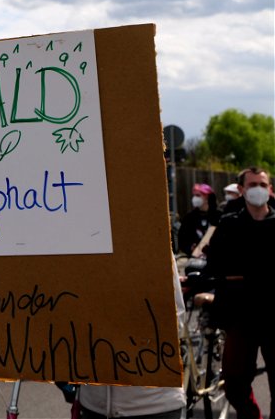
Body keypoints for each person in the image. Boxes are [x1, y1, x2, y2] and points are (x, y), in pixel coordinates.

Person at [76, 256, 186, 419]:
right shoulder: (77, 250)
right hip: (93, 404)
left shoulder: (149, 242)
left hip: (151, 406)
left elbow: (174, 321)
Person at [204, 166, 274, 419]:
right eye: (253, 185)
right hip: (240, 316)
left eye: (263, 185)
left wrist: (244, 274)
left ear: (271, 190)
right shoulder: (229, 225)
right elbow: (216, 264)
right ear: (242, 190)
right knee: (233, 382)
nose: (258, 190)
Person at [176, 183, 219, 256]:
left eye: (198, 195)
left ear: (207, 198)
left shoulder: (219, 216)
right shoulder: (189, 217)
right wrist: (189, 248)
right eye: (194, 195)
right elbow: (182, 238)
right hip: (195, 258)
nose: (195, 198)